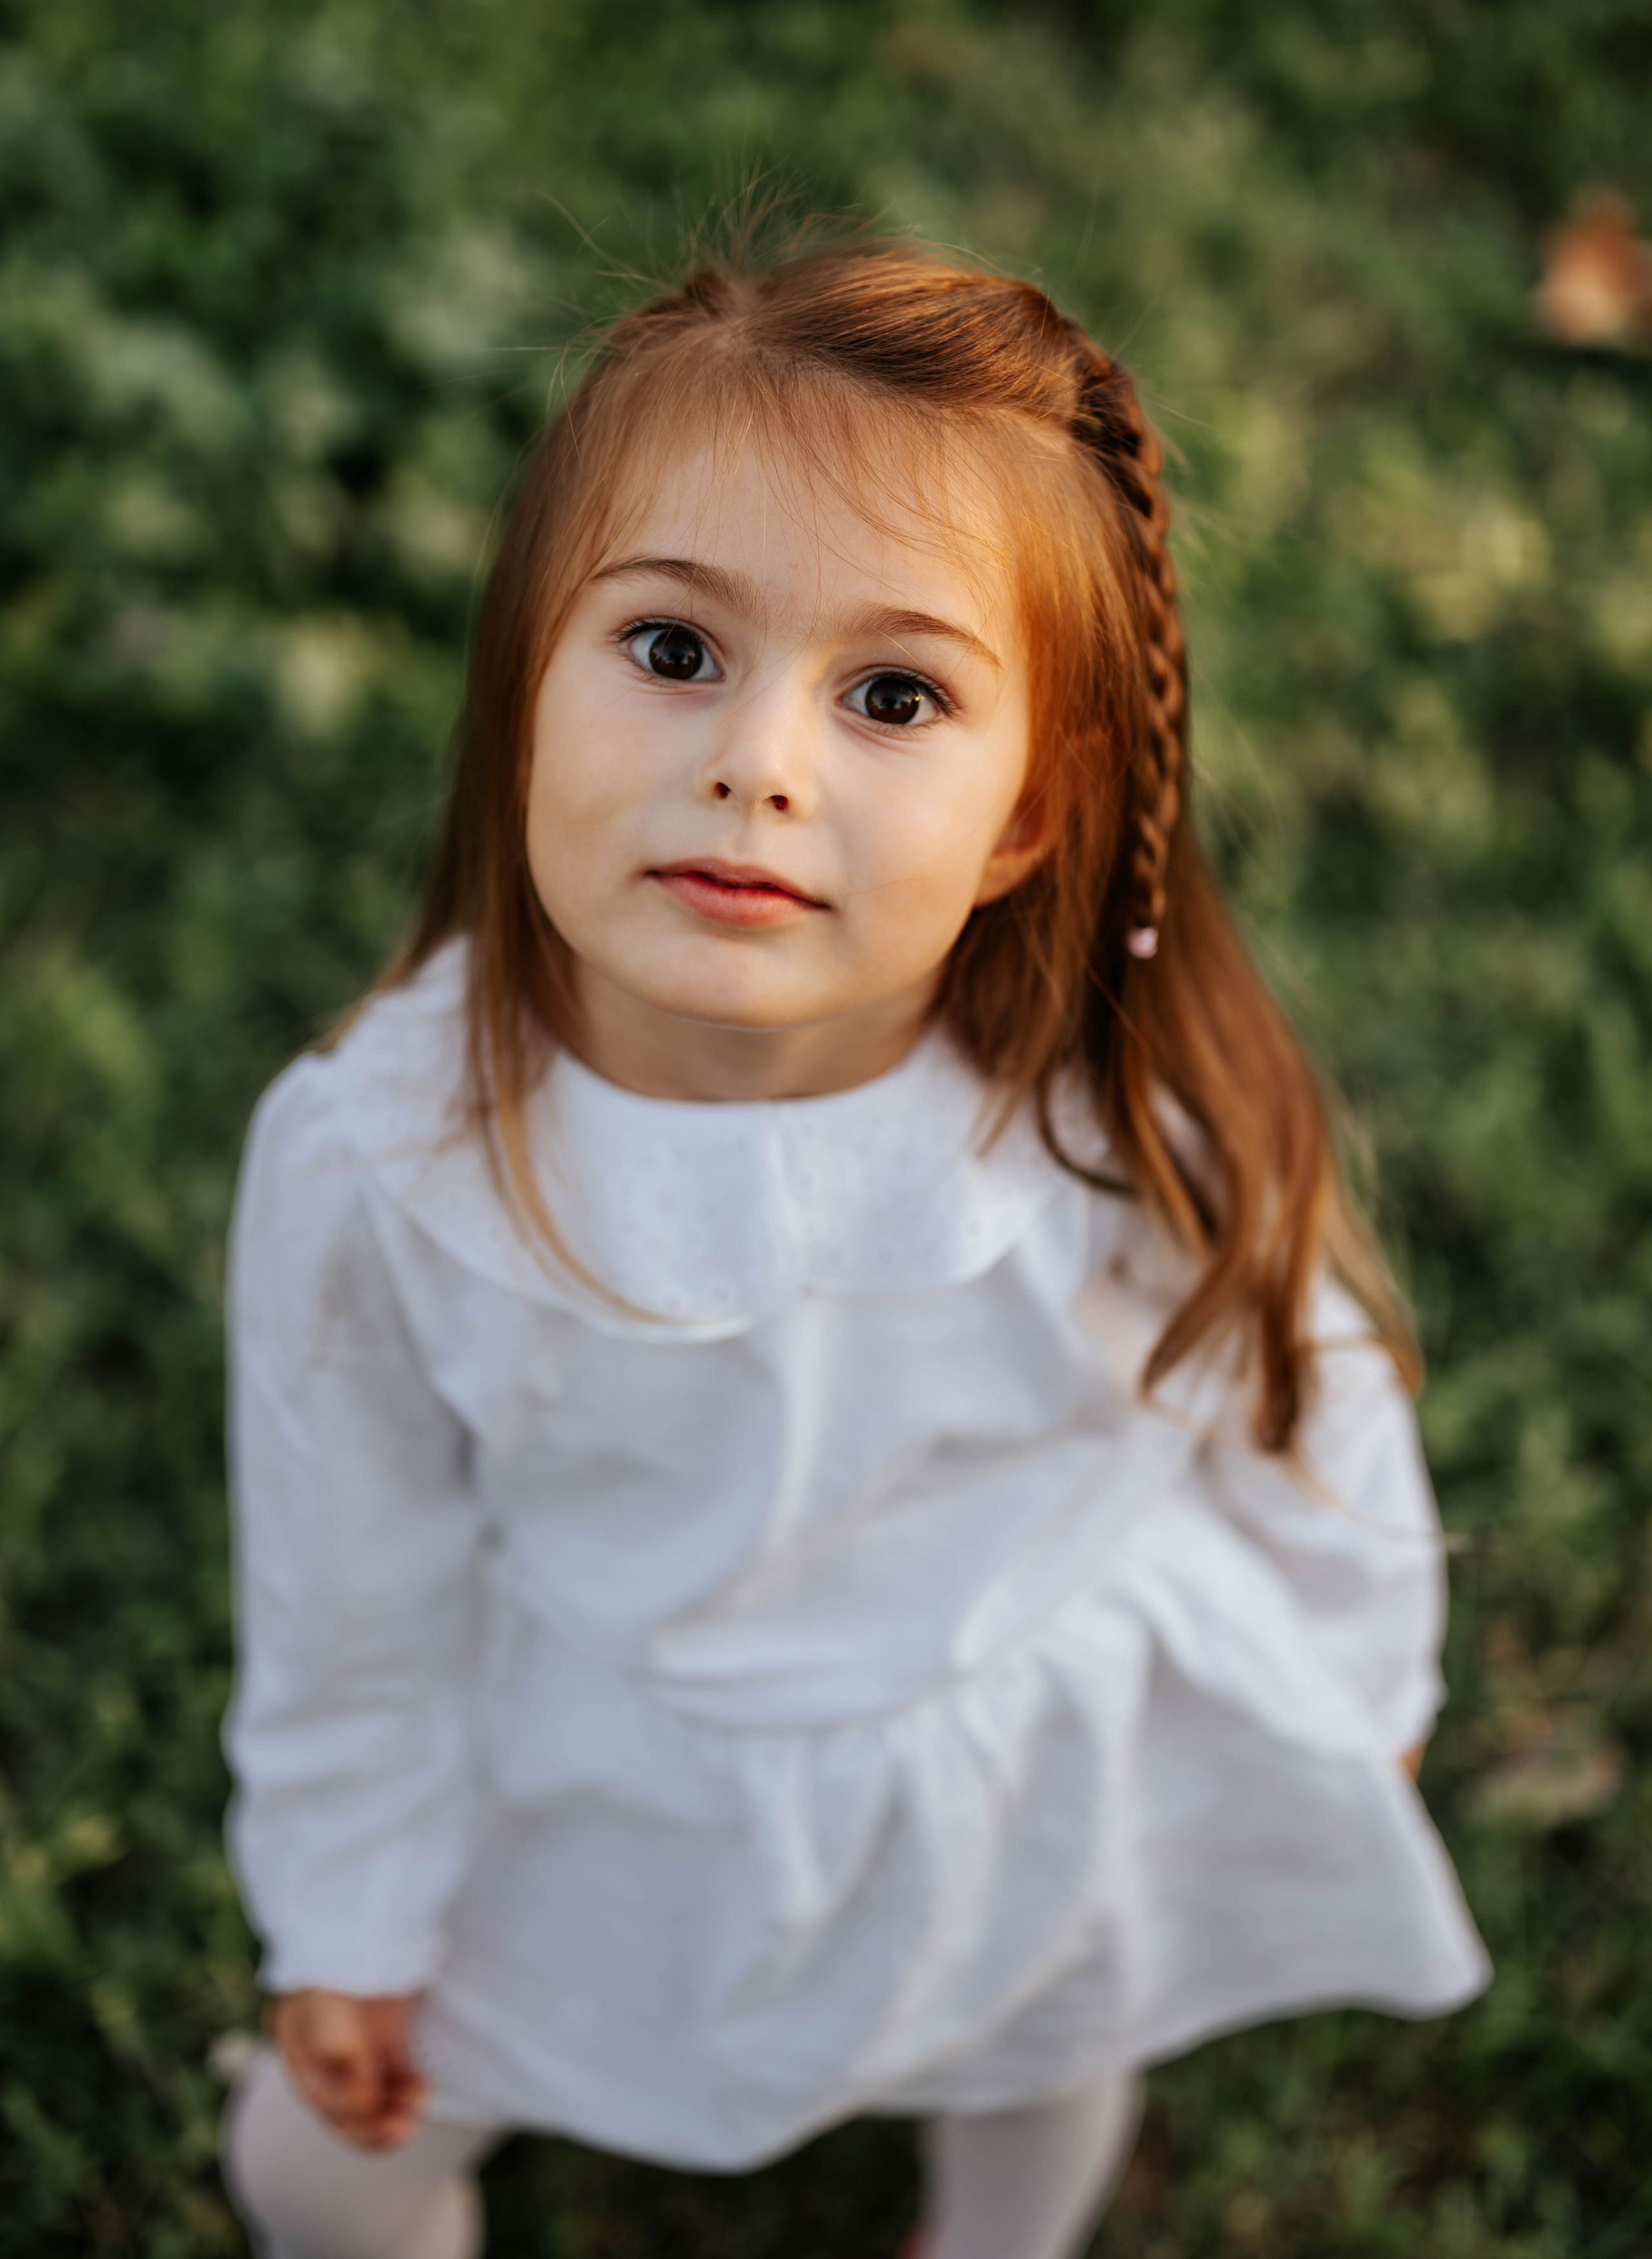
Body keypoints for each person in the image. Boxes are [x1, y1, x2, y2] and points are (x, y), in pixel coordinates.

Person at [219, 241, 1489, 2259]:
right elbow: (343, 1582)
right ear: (527, 676)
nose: (761, 760)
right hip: (607, 1761)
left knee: (1044, 2049)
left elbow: (1292, 1386)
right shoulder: (389, 1158)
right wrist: (350, 1912)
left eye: (894, 695)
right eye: (672, 647)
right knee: (316, 2164)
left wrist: (1366, 1669)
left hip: (1015, 1753)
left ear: (1023, 822)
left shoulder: (1083, 1124)